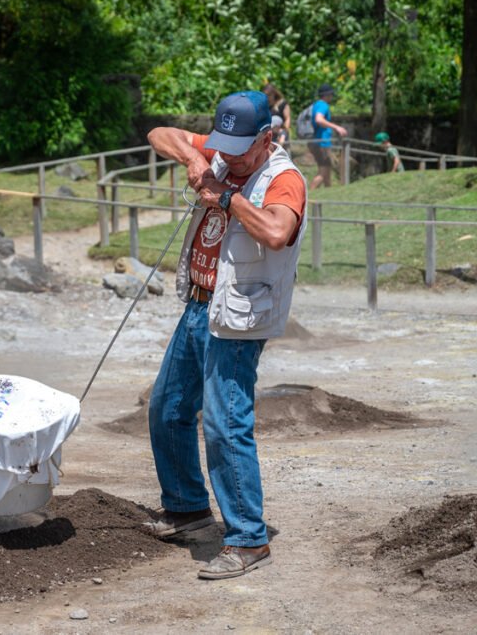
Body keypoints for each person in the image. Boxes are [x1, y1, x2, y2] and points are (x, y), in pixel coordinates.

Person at [144, 91, 307, 580]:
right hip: (199, 302)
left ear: (267, 138)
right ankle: (188, 508)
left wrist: (228, 197)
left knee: (224, 421)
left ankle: (248, 539)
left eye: (239, 149)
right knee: (167, 407)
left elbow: (277, 233)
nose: (229, 157)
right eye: (222, 145)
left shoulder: (283, 179)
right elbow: (158, 135)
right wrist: (196, 158)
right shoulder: (218, 152)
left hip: (238, 317)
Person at [308, 84, 348, 189]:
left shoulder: (316, 104)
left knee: (326, 171)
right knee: (322, 173)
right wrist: (337, 128)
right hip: (322, 143)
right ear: (327, 95)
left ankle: (329, 192)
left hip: (320, 142)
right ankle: (308, 195)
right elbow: (319, 119)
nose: (332, 97)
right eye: (331, 95)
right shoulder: (323, 105)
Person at [262, 83, 291, 147]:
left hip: (281, 133)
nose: (267, 97)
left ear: (274, 94)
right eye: (265, 95)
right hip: (269, 134)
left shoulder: (282, 103)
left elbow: (287, 119)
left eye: (268, 95)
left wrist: (284, 129)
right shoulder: (265, 106)